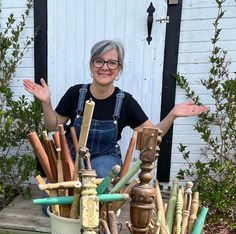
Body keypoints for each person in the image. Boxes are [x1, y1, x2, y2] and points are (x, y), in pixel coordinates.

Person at [23, 39, 208, 178]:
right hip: (71, 157)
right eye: (99, 61)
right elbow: (53, 126)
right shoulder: (75, 93)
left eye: (112, 62)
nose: (105, 67)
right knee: (51, 206)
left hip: (105, 158)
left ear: (119, 69)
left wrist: (172, 115)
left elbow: (149, 137)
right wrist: (46, 103)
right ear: (91, 65)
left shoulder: (125, 101)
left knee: (100, 179)